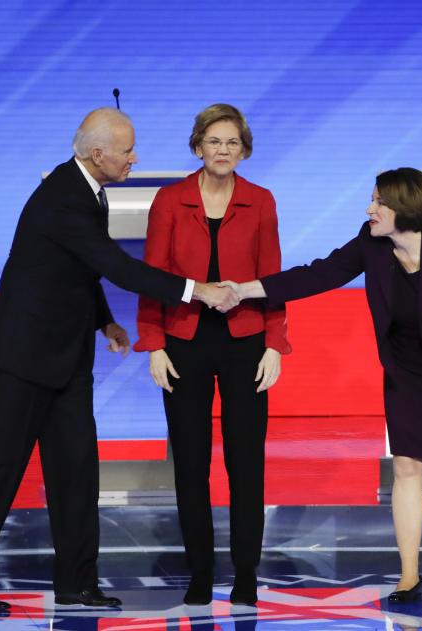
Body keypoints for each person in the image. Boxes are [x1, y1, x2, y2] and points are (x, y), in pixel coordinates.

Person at [0, 107, 238, 612]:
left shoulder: (86, 189)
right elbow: (114, 263)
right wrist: (196, 290)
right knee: (1, 470)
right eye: (127, 151)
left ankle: (76, 583)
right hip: (25, 355)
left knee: (77, 469)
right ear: (97, 154)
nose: (134, 159)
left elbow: (79, 266)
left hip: (67, 355)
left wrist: (104, 320)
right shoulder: (62, 197)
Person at [223, 167, 422, 606]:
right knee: (408, 467)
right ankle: (409, 576)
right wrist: (246, 291)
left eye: (379, 202)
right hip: (406, 372)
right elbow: (318, 274)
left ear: (406, 209)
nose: (369, 209)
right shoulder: (372, 245)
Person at [133, 104, 290, 606]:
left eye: (232, 142)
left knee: (247, 463)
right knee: (191, 463)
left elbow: (272, 277)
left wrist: (275, 342)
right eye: (214, 141)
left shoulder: (260, 201)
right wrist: (153, 343)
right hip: (184, 342)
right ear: (197, 145)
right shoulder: (169, 200)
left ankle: (246, 572)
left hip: (245, 343)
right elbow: (151, 278)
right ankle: (200, 571)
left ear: (244, 149)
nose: (223, 150)